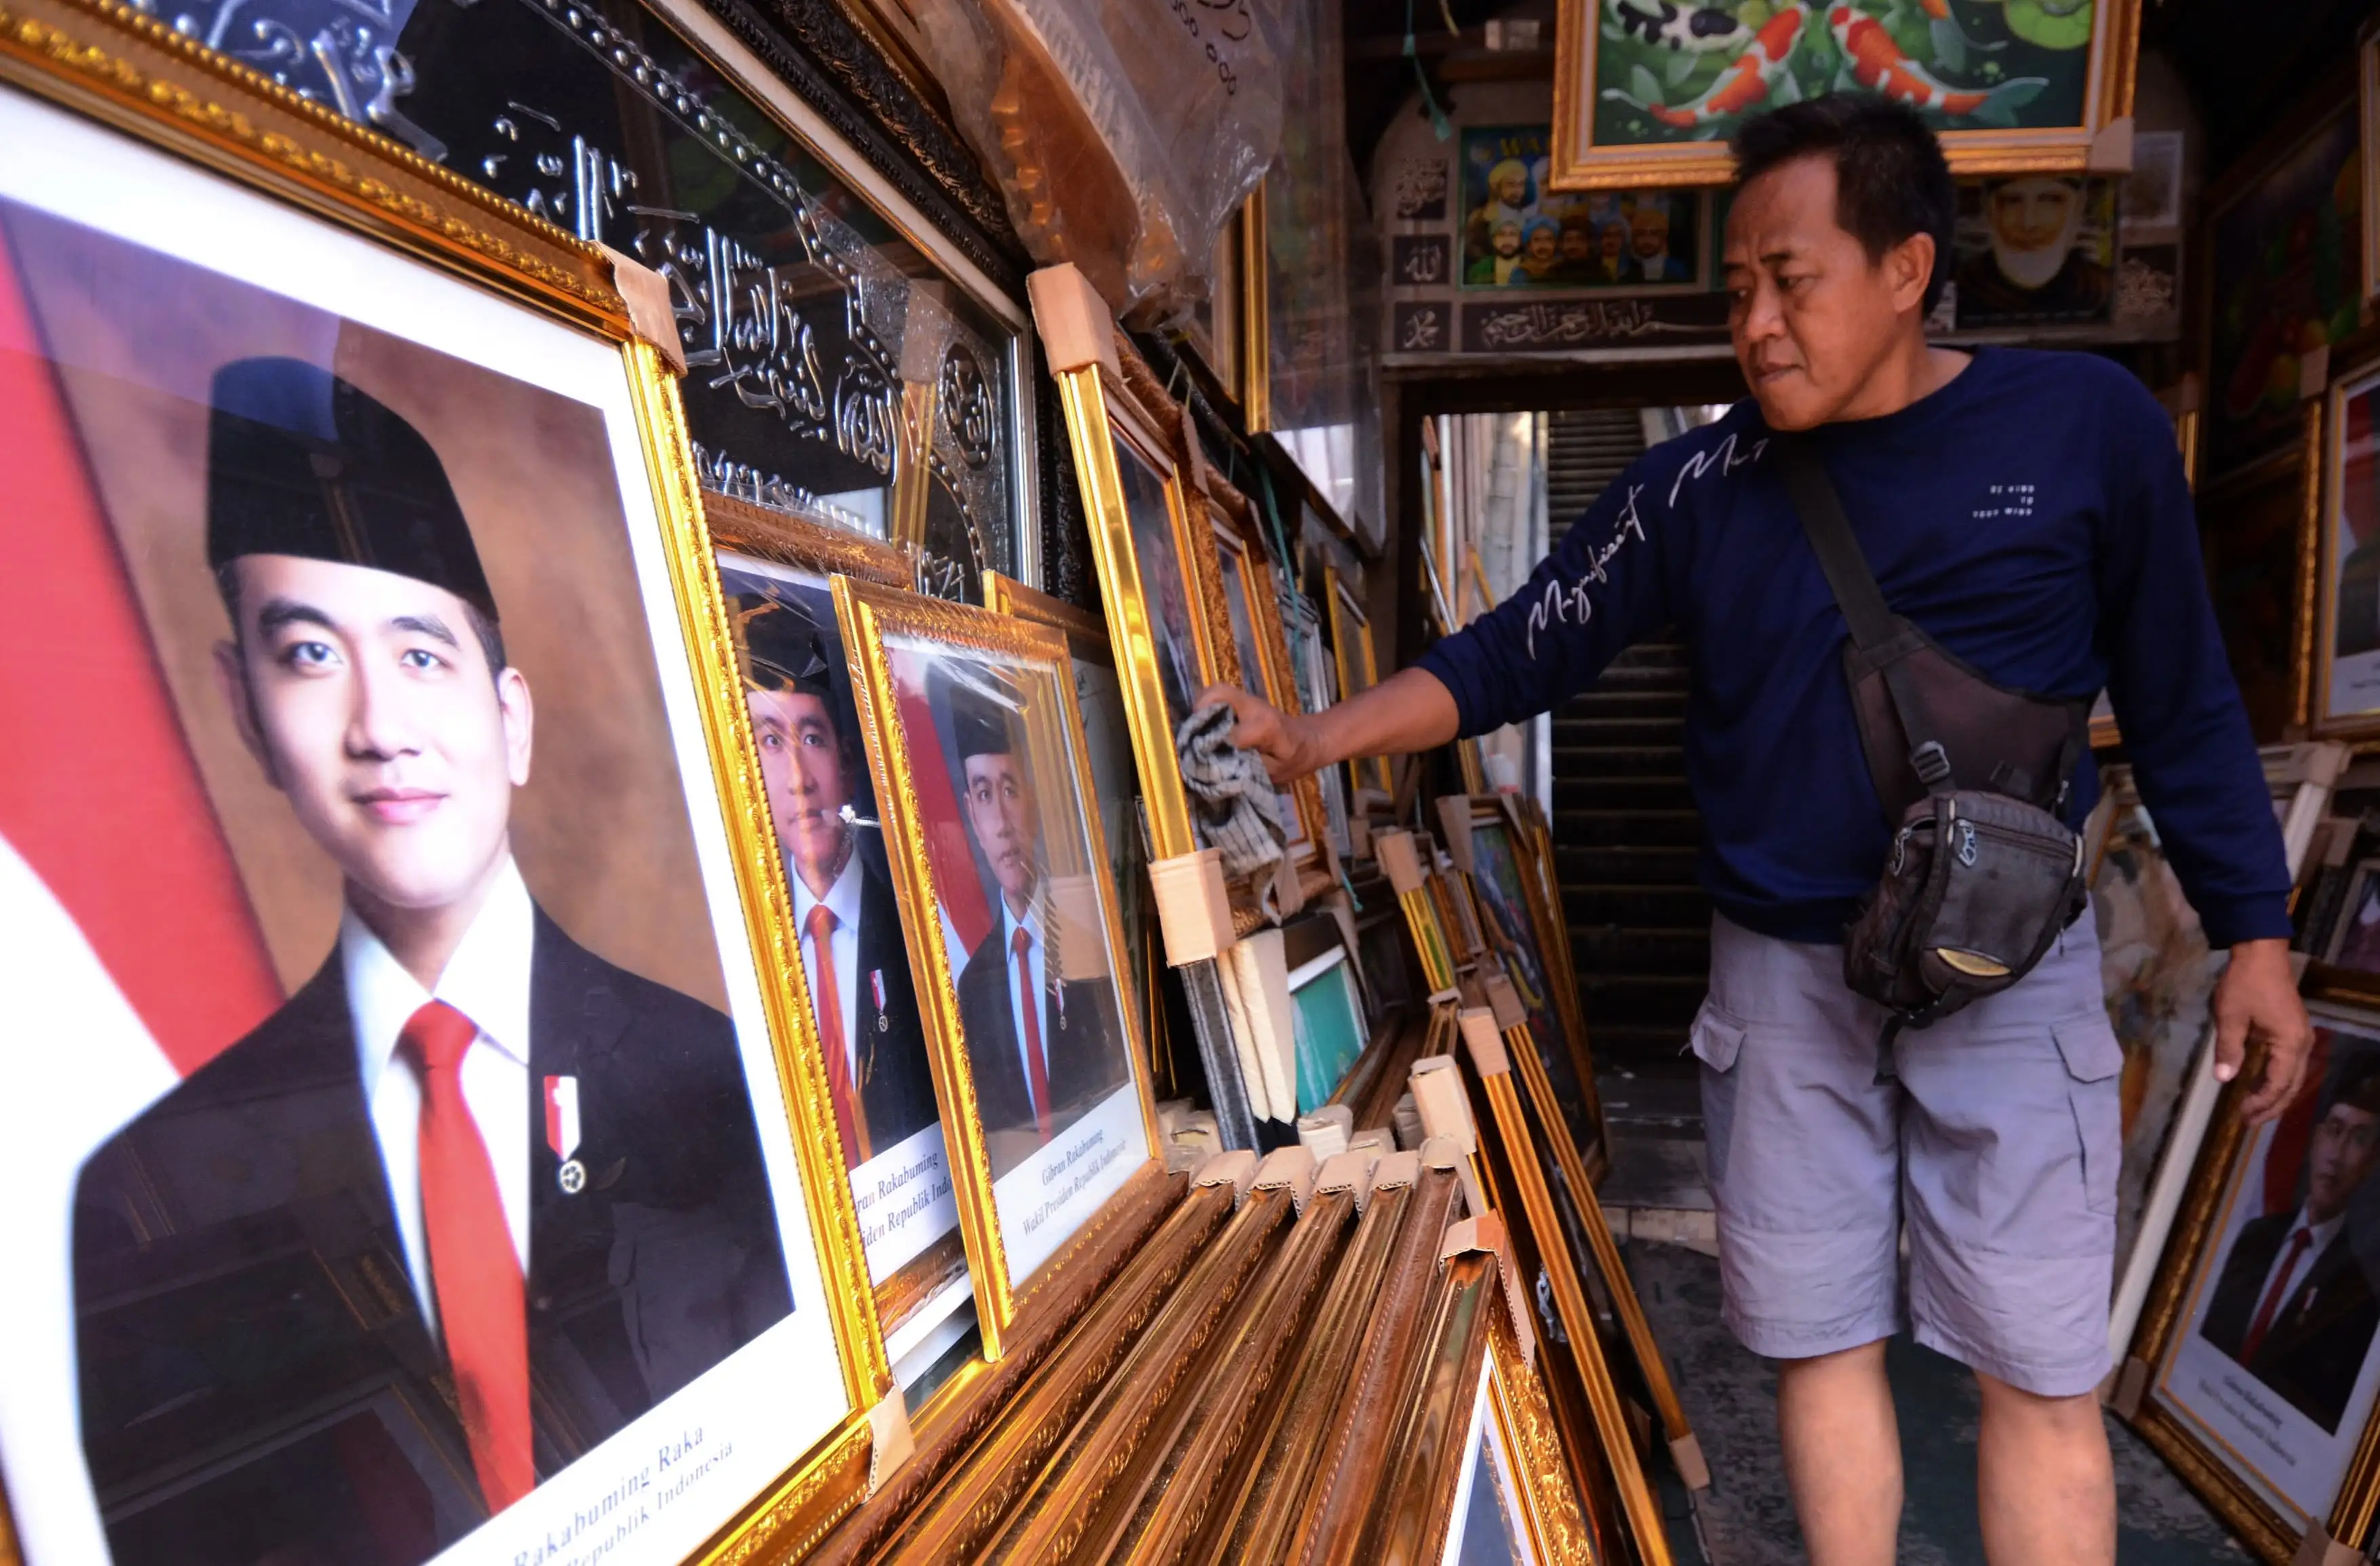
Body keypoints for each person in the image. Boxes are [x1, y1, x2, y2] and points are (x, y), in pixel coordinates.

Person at [1199, 96, 2312, 1566]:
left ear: (1907, 269)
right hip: (1787, 991)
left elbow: (2182, 702)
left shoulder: (2083, 430)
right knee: (1820, 1346)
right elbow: (1511, 652)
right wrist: (1317, 736)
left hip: (2009, 978)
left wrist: (2260, 938)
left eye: (1796, 280)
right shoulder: (1694, 491)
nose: (1760, 325)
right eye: (1740, 292)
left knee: (2044, 1375)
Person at [71, 359, 791, 1566]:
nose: (380, 728)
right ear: (244, 713)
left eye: (421, 655)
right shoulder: (152, 1185)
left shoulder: (715, 1077)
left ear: (511, 718)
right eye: (307, 655)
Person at [731, 590, 935, 1167]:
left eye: (812, 740)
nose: (798, 779)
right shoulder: (741, 950)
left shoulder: (913, 930)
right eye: (771, 742)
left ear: (846, 765)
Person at [945, 684, 1125, 1178]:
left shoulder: (1089, 938)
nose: (1002, 822)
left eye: (1009, 789)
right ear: (972, 817)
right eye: (984, 795)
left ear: (1036, 800)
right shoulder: (973, 985)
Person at [2201, 1059, 2380, 1433]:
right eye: (2335, 1130)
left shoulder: (2356, 1295)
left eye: (2360, 1139)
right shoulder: (2253, 1239)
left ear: (2372, 1164)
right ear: (2316, 1140)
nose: (2338, 1154)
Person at [1952, 175, 2112, 323]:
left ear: (2077, 208)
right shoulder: (1963, 289)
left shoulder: (2102, 291)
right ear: (1990, 209)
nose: (2029, 222)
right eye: (2012, 201)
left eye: (2049, 200)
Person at [1626, 201, 1692, 282]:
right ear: (1634, 238)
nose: (1647, 240)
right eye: (1641, 234)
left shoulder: (1676, 270)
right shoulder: (1625, 269)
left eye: (1653, 234)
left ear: (1663, 238)